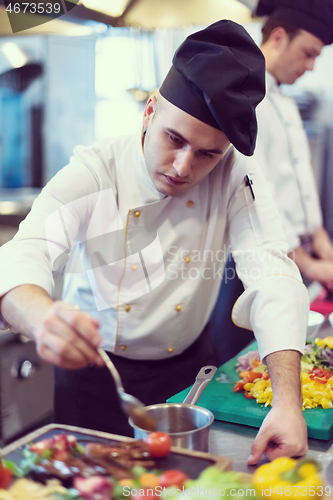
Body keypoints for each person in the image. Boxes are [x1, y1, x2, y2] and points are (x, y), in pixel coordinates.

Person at [0, 20, 309, 465]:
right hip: (94, 378)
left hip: (186, 376)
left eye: (207, 153)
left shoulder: (234, 175)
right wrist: (40, 316)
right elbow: (24, 251)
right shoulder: (97, 170)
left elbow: (273, 272)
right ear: (150, 111)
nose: (184, 167)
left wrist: (287, 402)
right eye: (174, 139)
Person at [253, 0, 333, 289]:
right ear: (278, 38)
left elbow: (300, 180)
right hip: (259, 263)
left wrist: (319, 235)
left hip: (296, 256)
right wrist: (310, 265)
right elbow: (257, 194)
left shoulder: (284, 100)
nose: (311, 67)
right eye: (308, 54)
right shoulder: (245, 98)